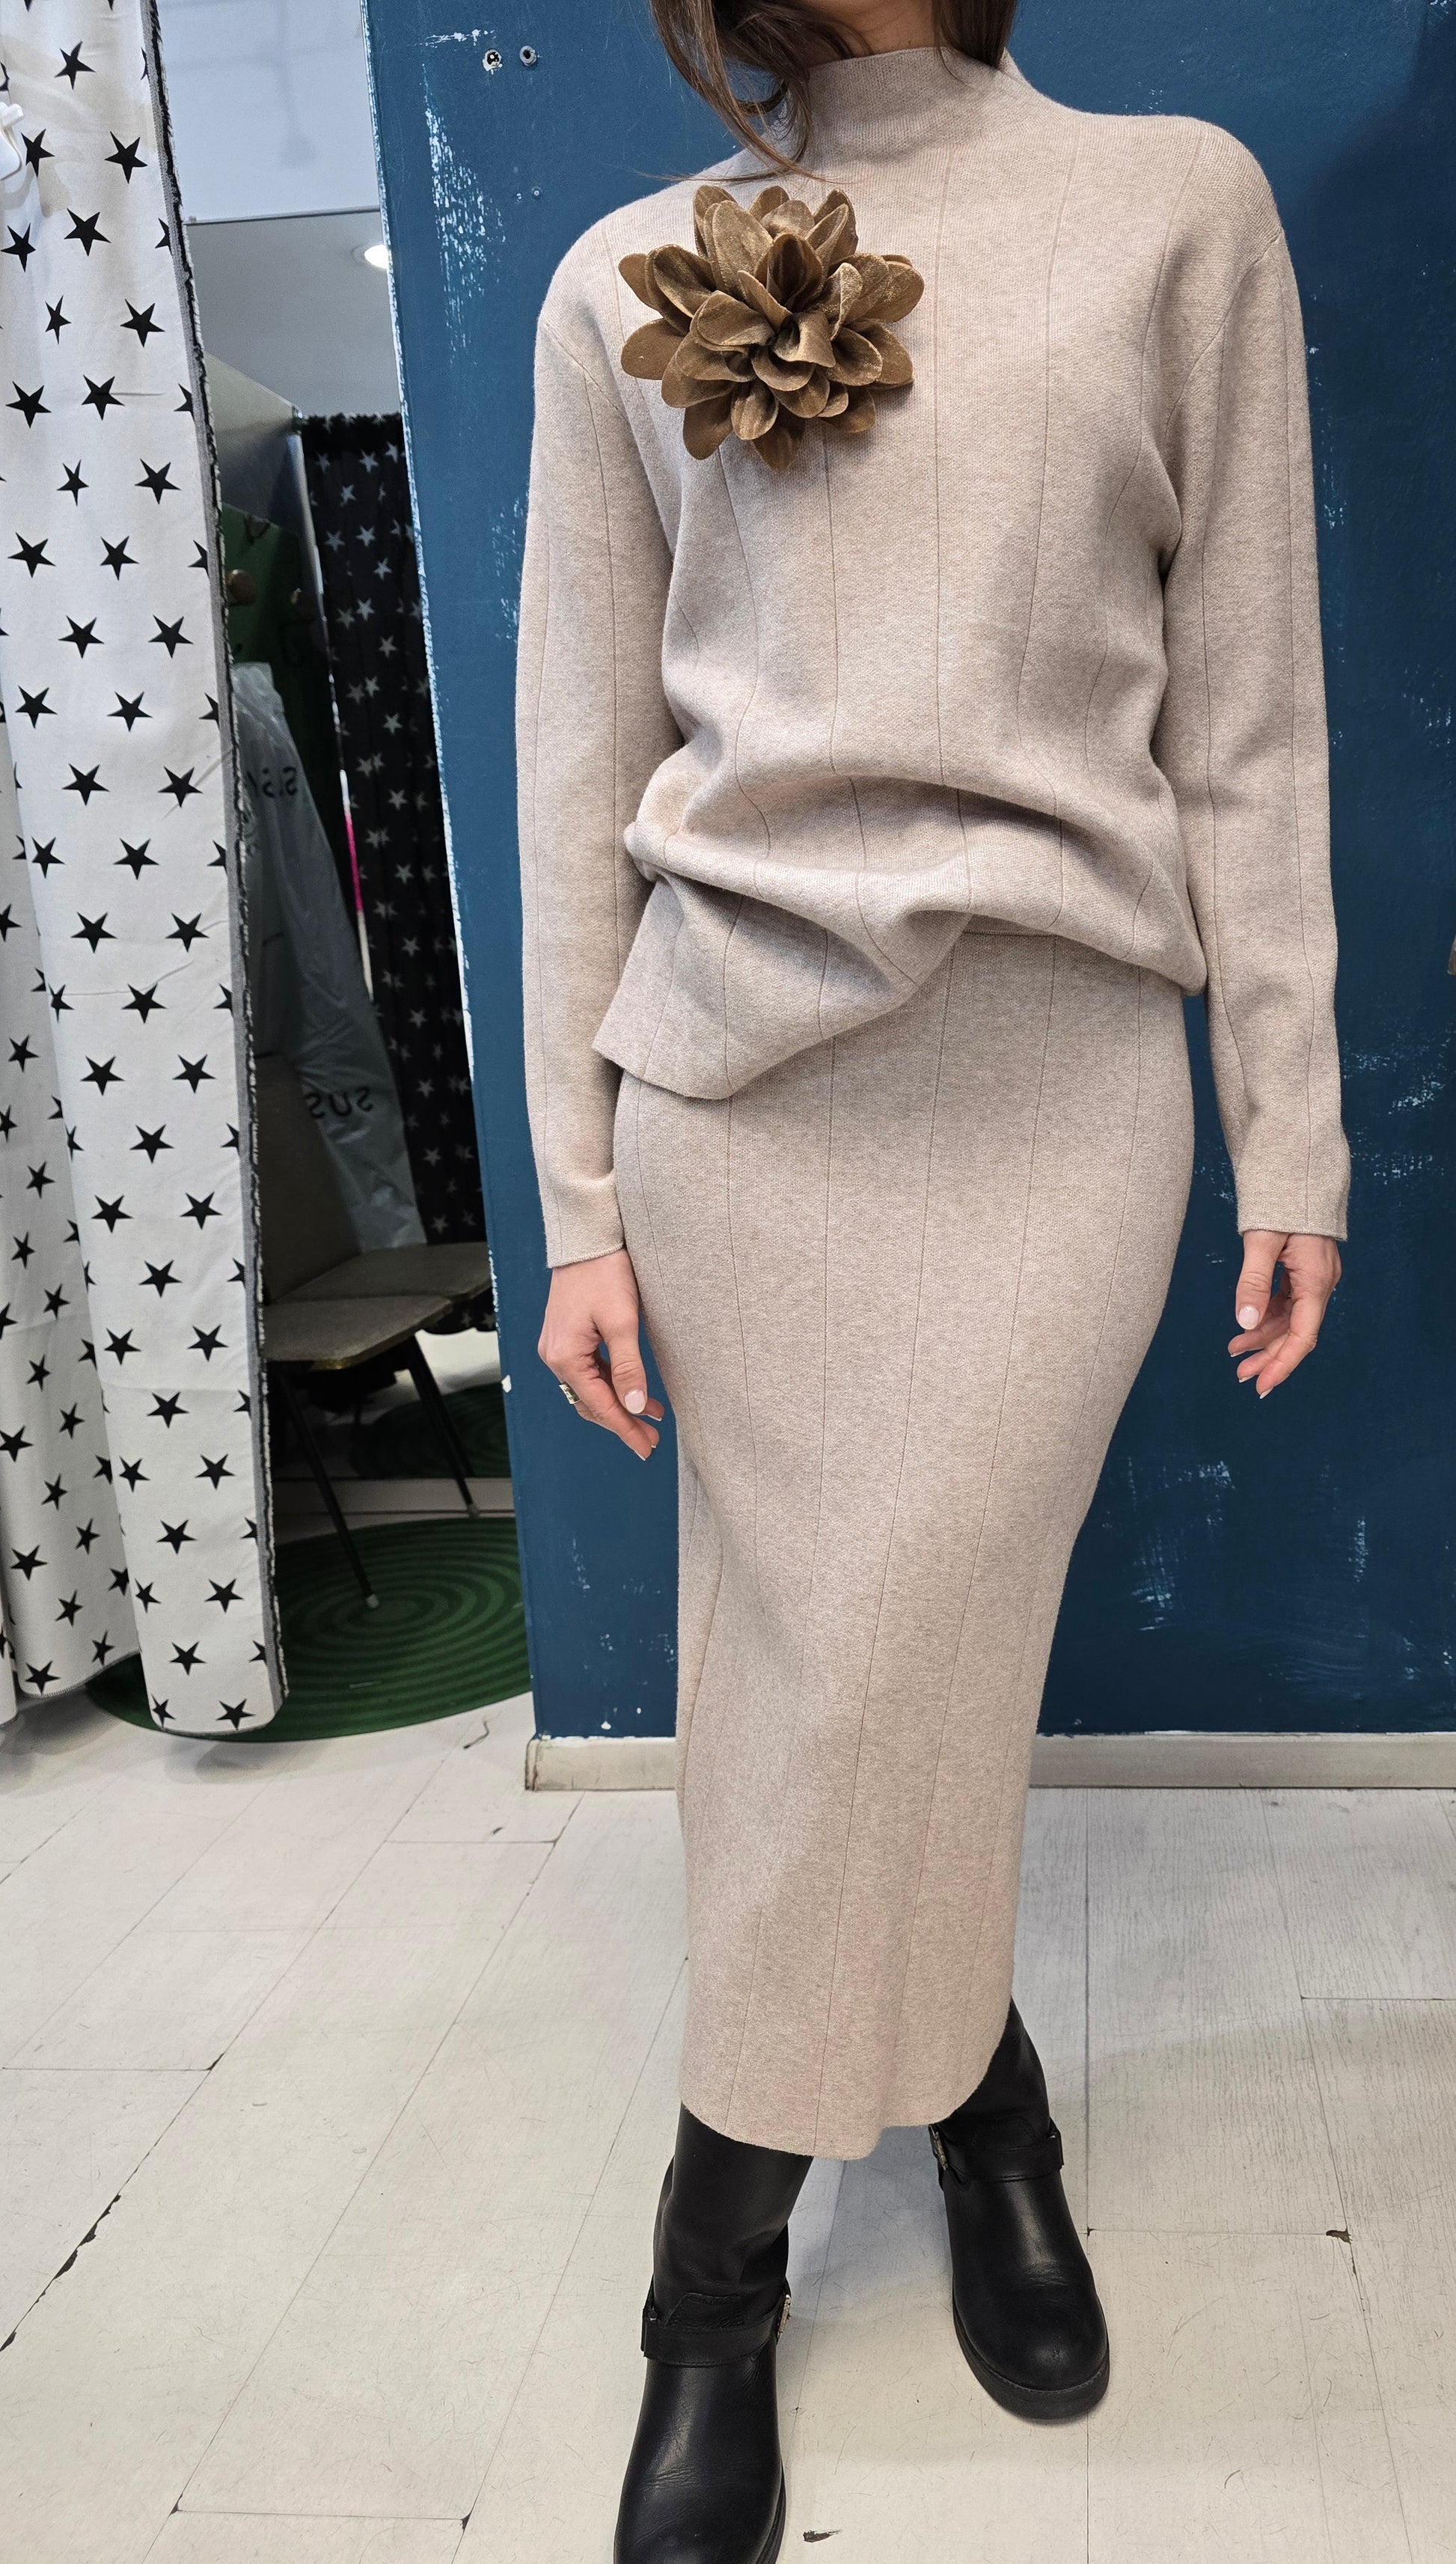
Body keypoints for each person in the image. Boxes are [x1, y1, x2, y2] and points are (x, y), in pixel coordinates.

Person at [517, 1, 1348, 2554]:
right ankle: (890, 2163)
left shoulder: (1172, 208)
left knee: (902, 1656)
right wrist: (574, 1198)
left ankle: (741, 2238)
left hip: (1052, 1087)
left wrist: (1288, 1126)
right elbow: (572, 764)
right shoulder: (615, 279)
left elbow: (1247, 722)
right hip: (733, 1103)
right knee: (811, 1672)